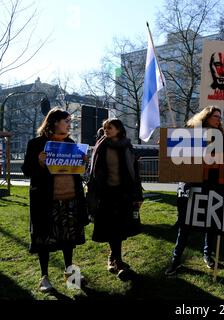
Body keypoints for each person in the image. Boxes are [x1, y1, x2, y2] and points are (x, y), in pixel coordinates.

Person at [21, 108, 89, 293]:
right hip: (46, 201)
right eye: (66, 121)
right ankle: (44, 278)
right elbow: (27, 170)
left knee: (69, 239)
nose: (69, 124)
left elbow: (77, 173)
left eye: (70, 121)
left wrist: (83, 161)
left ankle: (70, 273)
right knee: (44, 239)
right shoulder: (36, 144)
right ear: (54, 122)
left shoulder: (71, 143)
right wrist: (39, 163)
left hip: (70, 200)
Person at [165, 106, 224, 276]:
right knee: (185, 225)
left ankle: (208, 255)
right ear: (206, 117)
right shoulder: (191, 133)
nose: (218, 120)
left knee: (210, 223)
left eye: (220, 117)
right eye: (215, 116)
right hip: (191, 185)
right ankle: (175, 260)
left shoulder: (220, 137)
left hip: (211, 185)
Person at [88, 118, 143, 279]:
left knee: (120, 228)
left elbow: (135, 173)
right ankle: (118, 261)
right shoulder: (101, 146)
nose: (106, 130)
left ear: (118, 129)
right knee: (112, 228)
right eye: (105, 128)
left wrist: (138, 195)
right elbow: (94, 172)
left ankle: (113, 257)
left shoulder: (127, 147)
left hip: (124, 194)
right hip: (106, 194)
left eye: (110, 127)